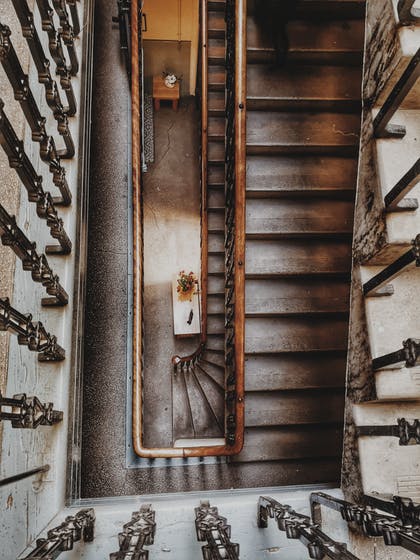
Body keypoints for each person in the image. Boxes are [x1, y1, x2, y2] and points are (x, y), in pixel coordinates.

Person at [255, 0, 297, 66]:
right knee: (279, 32)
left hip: (277, 11)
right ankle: (281, 57)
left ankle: (280, 57)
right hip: (280, 10)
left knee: (277, 33)